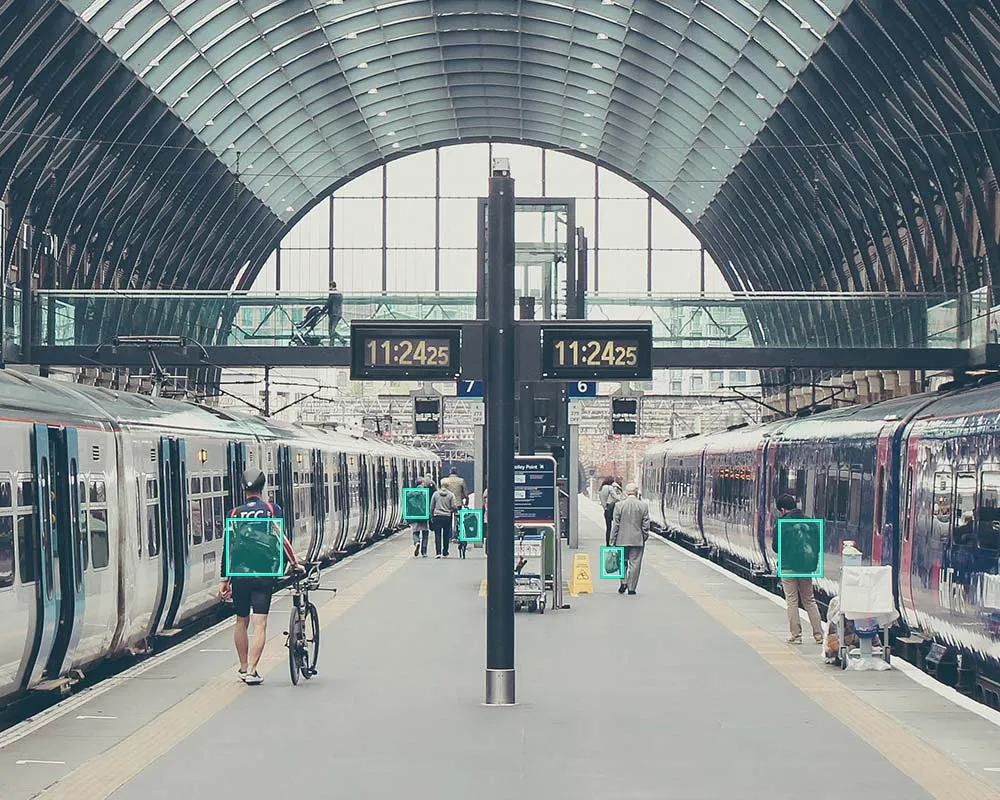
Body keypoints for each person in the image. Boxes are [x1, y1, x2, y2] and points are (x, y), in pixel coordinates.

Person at [220, 468, 303, 684]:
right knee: (260, 624)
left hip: (239, 574)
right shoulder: (271, 509)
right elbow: (281, 539)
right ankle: (253, 670)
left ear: (242, 489)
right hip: (264, 573)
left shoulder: (234, 513)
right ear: (262, 487)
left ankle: (243, 666)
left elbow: (228, 547)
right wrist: (295, 563)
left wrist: (224, 579)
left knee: (241, 621)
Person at [773, 493, 823, 645]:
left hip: (787, 567)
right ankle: (819, 635)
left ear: (782, 509)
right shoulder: (810, 522)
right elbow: (817, 545)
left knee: (792, 601)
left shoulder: (782, 523)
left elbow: (776, 547)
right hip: (805, 567)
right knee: (809, 600)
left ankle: (796, 635)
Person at [611, 483, 650, 595]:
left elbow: (616, 525)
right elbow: (646, 525)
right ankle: (632, 588)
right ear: (636, 492)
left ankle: (623, 582)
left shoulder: (619, 505)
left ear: (626, 492)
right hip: (637, 540)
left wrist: (612, 540)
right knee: (635, 563)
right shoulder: (643, 506)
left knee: (622, 562)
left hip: (621, 539)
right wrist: (643, 537)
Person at [441, 467, 470, 558]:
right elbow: (466, 494)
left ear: (449, 472)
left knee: (448, 522)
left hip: (447, 504)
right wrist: (466, 503)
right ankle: (459, 534)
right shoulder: (461, 481)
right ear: (457, 472)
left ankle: (450, 536)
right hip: (458, 504)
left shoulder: (444, 481)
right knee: (459, 520)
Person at [430, 481, 459, 558]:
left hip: (437, 516)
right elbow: (453, 506)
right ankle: (445, 552)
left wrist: (431, 515)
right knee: (446, 535)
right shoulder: (451, 495)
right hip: (447, 516)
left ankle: (438, 553)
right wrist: (455, 510)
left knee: (437, 534)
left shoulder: (435, 494)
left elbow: (432, 506)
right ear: (448, 487)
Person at [598, 476, 623, 547]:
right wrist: (622, 501)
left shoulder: (601, 488)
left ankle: (607, 544)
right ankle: (614, 542)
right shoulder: (610, 488)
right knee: (616, 526)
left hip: (606, 510)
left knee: (608, 528)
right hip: (612, 509)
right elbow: (615, 497)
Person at [411, 475, 432, 557]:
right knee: (425, 533)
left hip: (415, 516)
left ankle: (417, 542)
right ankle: (424, 551)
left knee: (415, 532)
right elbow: (430, 504)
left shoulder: (411, 493)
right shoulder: (426, 493)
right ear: (422, 483)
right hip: (424, 515)